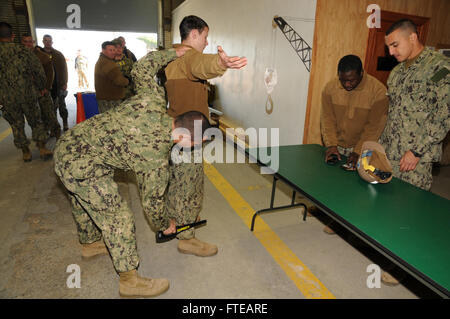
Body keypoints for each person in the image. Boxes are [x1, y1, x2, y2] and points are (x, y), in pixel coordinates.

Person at [54, 46, 203, 298]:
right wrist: (167, 224)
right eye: (193, 144)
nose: (191, 148)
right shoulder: (155, 159)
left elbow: (142, 69)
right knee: (118, 216)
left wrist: (174, 53)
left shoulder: (153, 100)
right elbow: (152, 204)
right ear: (184, 137)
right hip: (81, 163)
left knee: (84, 198)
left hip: (70, 144)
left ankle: (90, 244)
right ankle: (129, 280)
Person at [163, 15, 247, 257]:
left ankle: (178, 220)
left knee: (176, 182)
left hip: (176, 128)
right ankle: (187, 237)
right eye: (206, 36)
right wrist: (220, 64)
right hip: (189, 135)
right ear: (195, 34)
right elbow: (201, 65)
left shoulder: (171, 56)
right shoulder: (189, 57)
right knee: (189, 185)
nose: (207, 42)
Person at [379, 19, 449, 285]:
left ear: (413, 37)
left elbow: (444, 114)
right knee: (389, 208)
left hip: (415, 159)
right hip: (391, 152)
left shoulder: (439, 68)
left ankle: (401, 268)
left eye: (395, 45)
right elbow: (392, 114)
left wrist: (417, 151)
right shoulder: (397, 72)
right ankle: (389, 254)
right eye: (388, 47)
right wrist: (379, 148)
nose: (391, 52)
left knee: (409, 211)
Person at [320, 54, 389, 234]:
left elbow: (374, 126)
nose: (347, 84)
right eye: (343, 80)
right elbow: (327, 118)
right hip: (339, 143)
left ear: (361, 74)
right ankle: (328, 214)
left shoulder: (378, 91)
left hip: (364, 144)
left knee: (358, 188)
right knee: (333, 184)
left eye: (351, 80)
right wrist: (331, 144)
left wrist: (359, 150)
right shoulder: (330, 88)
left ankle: (348, 224)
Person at [0, 22, 53, 162]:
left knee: (16, 125)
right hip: (28, 94)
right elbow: (39, 71)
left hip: (7, 98)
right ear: (12, 36)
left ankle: (26, 152)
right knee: (36, 121)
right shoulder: (23, 51)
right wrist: (42, 88)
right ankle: (42, 148)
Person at [21, 34, 61, 139]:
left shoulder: (42, 56)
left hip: (42, 92)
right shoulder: (18, 56)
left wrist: (46, 88)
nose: (27, 44)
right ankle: (41, 138)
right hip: (27, 93)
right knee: (35, 118)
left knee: (50, 115)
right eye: (25, 42)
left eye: (30, 42)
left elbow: (50, 73)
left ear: (33, 42)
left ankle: (57, 134)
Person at [42, 34, 69, 131]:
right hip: (47, 87)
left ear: (52, 42)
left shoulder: (58, 54)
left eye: (49, 41)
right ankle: (54, 127)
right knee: (50, 109)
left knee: (62, 106)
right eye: (46, 40)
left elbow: (64, 69)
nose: (47, 42)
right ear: (43, 42)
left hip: (59, 85)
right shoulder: (40, 54)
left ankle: (65, 123)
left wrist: (65, 83)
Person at [94, 41, 129, 113]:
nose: (113, 52)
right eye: (110, 50)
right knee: (112, 121)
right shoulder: (107, 63)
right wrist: (127, 80)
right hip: (110, 100)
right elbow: (119, 81)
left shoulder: (103, 60)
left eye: (114, 50)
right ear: (103, 50)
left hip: (106, 98)